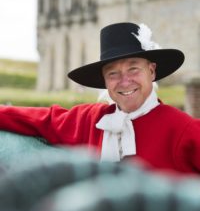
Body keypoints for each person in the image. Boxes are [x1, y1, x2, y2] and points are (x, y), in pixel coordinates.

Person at [0, 22, 199, 175]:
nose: (125, 81)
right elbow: (41, 119)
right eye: (113, 73)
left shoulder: (184, 130)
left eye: (133, 69)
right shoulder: (90, 120)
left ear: (152, 71)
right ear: (104, 80)